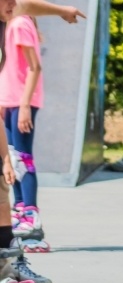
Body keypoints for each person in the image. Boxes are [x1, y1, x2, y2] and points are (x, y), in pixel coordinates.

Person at [0, 0, 83, 283]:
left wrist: (63, 11)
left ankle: (22, 238)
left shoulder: (17, 18)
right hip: (8, 100)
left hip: (14, 102)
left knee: (14, 166)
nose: (13, 7)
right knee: (12, 164)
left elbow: (25, 7)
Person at [0, 11, 49, 252]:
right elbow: (8, 68)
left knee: (23, 158)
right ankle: (20, 210)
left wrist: (25, 105)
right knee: (12, 157)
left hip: (21, 102)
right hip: (10, 101)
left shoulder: (19, 23)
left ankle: (31, 215)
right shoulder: (9, 25)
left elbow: (34, 67)